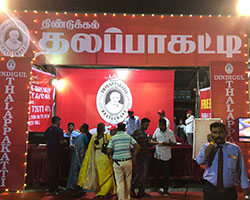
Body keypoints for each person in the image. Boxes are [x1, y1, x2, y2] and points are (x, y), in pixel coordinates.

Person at [196, 122, 250, 200]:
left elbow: (241, 171)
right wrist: (211, 144)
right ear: (211, 134)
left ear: (226, 133)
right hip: (211, 190)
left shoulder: (234, 149)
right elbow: (199, 161)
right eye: (215, 132)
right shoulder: (207, 147)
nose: (218, 135)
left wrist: (246, 192)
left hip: (230, 192)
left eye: (221, 132)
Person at [78, 123, 116, 198]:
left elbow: (90, 149)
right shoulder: (107, 136)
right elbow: (111, 146)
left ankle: (100, 192)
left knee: (98, 175)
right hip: (105, 157)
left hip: (96, 157)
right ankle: (105, 191)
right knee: (108, 174)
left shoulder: (94, 137)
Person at [107, 123, 141, 200]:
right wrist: (134, 156)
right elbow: (138, 147)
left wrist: (110, 153)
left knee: (120, 183)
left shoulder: (114, 138)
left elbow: (109, 150)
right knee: (128, 182)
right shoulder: (128, 136)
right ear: (125, 129)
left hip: (117, 162)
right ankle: (127, 198)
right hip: (128, 161)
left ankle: (121, 199)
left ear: (117, 129)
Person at [152, 118, 176, 196]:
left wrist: (167, 144)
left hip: (167, 156)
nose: (160, 126)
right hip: (158, 155)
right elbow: (153, 139)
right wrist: (155, 142)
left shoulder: (170, 133)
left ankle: (166, 190)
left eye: (161, 125)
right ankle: (156, 187)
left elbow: (174, 143)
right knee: (157, 173)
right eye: (159, 125)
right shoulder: (157, 131)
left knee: (166, 174)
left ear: (165, 125)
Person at [130, 118, 151, 198]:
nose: (147, 126)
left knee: (143, 175)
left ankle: (141, 191)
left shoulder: (144, 133)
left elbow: (146, 144)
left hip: (145, 155)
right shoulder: (136, 133)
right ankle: (133, 188)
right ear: (142, 124)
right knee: (141, 175)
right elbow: (135, 145)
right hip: (140, 156)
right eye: (146, 125)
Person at [66, 124, 89, 196]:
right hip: (80, 156)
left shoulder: (83, 136)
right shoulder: (83, 136)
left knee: (77, 171)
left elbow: (84, 146)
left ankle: (77, 188)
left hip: (79, 156)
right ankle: (77, 187)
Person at [44, 116, 65, 195]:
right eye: (59, 121)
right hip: (57, 152)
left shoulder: (48, 130)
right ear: (57, 122)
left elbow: (46, 141)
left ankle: (54, 187)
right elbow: (61, 142)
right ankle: (53, 188)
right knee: (55, 170)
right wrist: (65, 143)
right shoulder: (59, 130)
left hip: (50, 152)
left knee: (52, 169)